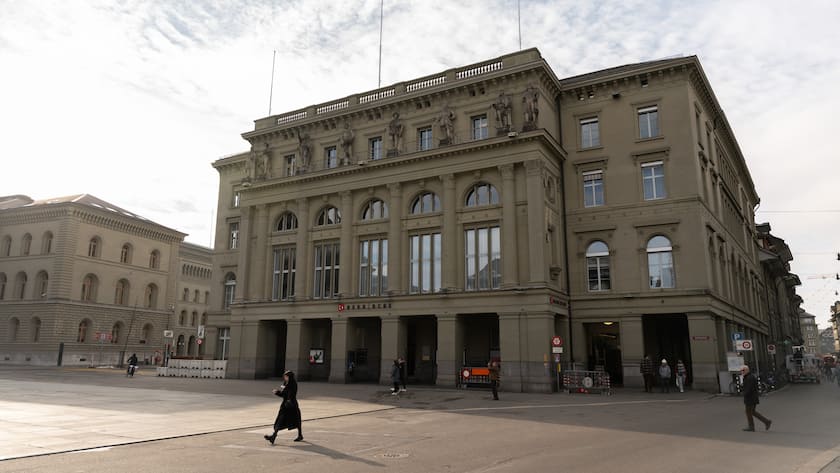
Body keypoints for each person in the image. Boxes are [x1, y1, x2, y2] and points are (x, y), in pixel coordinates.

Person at [264, 370, 303, 444]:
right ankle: (273, 436)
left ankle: (300, 435)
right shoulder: (285, 383)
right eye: (284, 376)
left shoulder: (293, 384)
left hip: (291, 405)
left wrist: (288, 399)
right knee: (280, 420)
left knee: (296, 420)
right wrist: (277, 392)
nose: (284, 377)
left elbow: (291, 395)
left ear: (289, 377)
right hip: (285, 405)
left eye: (286, 376)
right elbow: (283, 395)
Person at [740, 365, 771, 432]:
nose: (742, 372)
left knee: (749, 412)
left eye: (743, 370)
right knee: (752, 412)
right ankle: (766, 421)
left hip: (750, 398)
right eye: (741, 370)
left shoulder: (749, 378)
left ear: (747, 370)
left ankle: (751, 427)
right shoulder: (748, 377)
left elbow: (749, 388)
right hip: (752, 397)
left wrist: (744, 393)